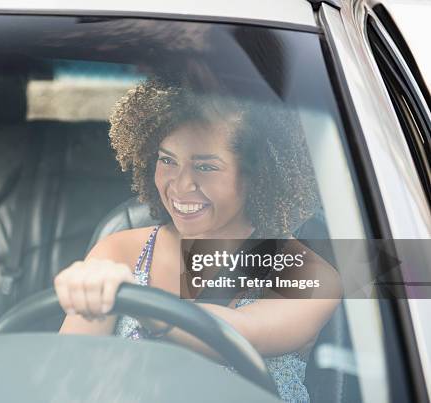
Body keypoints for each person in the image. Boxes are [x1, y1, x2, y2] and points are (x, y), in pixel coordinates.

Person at [56, 75, 341, 401]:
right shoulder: (118, 251)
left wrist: (136, 301)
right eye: (167, 160)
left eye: (205, 167)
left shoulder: (308, 275)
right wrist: (91, 293)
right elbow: (69, 380)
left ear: (256, 175)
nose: (179, 185)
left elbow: (244, 334)